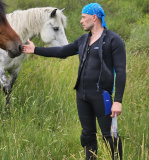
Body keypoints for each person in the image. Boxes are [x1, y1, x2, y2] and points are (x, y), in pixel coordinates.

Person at [22, 3, 126, 160]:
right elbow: (62, 51)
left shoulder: (113, 40)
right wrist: (36, 50)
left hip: (102, 95)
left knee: (110, 136)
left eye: (84, 17)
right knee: (87, 136)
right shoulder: (83, 40)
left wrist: (117, 101)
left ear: (94, 17)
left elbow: (121, 71)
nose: (81, 21)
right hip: (82, 95)